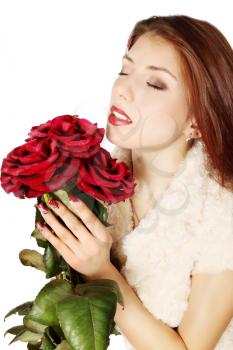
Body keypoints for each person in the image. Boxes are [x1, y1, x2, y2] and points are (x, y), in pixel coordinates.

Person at [36, 15, 233, 350]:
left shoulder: (222, 214)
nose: (123, 89)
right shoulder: (91, 185)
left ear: (197, 121)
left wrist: (102, 274)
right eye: (125, 71)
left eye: (155, 84)